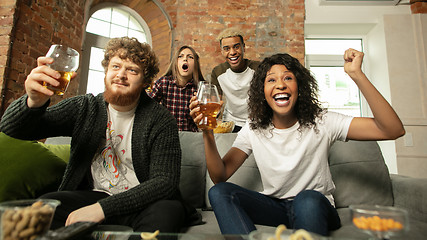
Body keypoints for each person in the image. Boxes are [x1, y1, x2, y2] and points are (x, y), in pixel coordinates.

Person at [189, 49, 405, 236]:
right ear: (262, 92)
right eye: (271, 80)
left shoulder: (323, 121)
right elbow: (219, 177)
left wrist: (357, 75)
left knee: (307, 199)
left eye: (288, 78)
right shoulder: (253, 128)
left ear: (299, 87)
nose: (280, 85)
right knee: (220, 192)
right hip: (276, 208)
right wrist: (208, 133)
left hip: (315, 206)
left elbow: (392, 129)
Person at [0, 37, 198, 232]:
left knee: (167, 212)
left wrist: (102, 209)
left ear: (145, 81)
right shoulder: (86, 107)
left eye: (132, 70)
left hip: (143, 201)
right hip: (95, 195)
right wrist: (33, 102)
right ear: (106, 71)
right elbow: (13, 129)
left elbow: (165, 182)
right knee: (44, 208)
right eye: (115, 66)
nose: (121, 75)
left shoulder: (161, 119)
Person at [210, 27, 260, 132]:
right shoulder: (218, 72)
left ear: (243, 48)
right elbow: (215, 104)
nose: (232, 52)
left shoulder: (258, 69)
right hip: (230, 122)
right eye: (227, 48)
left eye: (236, 47)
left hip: (256, 123)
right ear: (222, 51)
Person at [149, 45, 204, 132]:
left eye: (190, 57)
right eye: (180, 56)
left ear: (195, 64)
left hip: (192, 138)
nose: (185, 59)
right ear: (176, 63)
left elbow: (206, 119)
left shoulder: (201, 89)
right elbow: (147, 108)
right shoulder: (163, 83)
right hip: (166, 135)